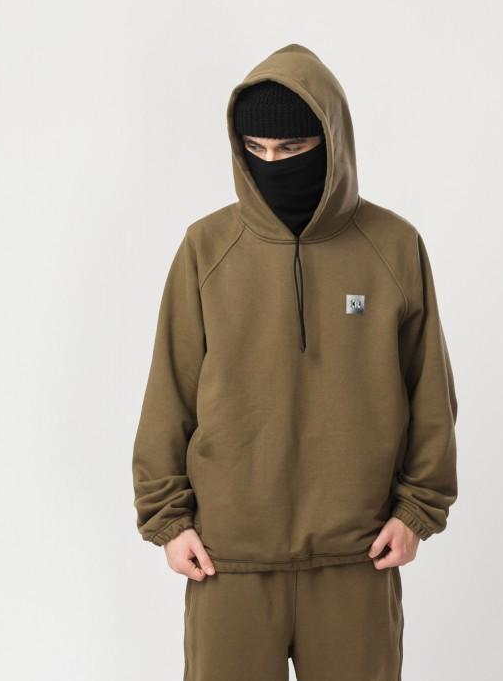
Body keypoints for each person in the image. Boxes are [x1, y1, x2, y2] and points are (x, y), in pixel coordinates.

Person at [132, 42, 458, 681]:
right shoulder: (206, 248)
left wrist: (416, 512)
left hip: (357, 557)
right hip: (226, 560)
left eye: (292, 148)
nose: (272, 164)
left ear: (331, 142)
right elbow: (168, 392)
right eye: (255, 149)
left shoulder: (393, 246)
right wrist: (168, 521)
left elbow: (431, 394)